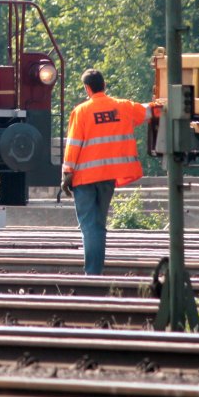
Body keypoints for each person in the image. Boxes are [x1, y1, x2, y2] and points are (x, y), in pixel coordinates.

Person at [62, 68, 157, 275]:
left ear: (87, 88)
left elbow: (73, 145)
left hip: (84, 179)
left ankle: (93, 273)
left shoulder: (81, 111)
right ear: (104, 86)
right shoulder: (122, 107)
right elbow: (149, 111)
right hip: (107, 179)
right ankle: (96, 270)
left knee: (90, 226)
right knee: (99, 225)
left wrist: (67, 173)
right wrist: (164, 103)